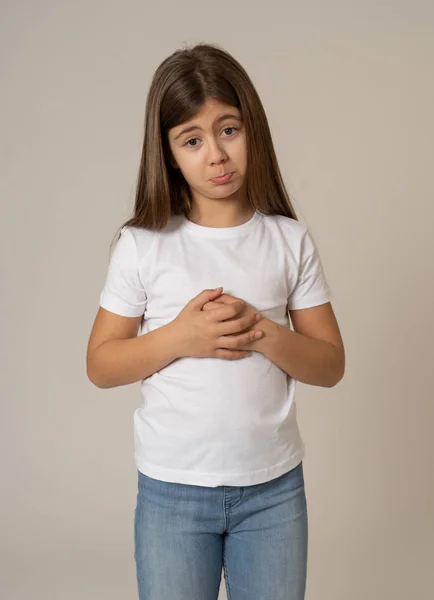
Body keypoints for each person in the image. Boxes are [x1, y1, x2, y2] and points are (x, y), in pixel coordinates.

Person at [86, 42, 345, 600]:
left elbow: (329, 365)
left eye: (228, 129)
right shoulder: (143, 245)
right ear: (169, 153)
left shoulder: (287, 240)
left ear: (253, 128)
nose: (216, 155)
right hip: (173, 495)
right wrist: (182, 336)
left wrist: (263, 332)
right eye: (192, 140)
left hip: (273, 493)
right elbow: (102, 365)